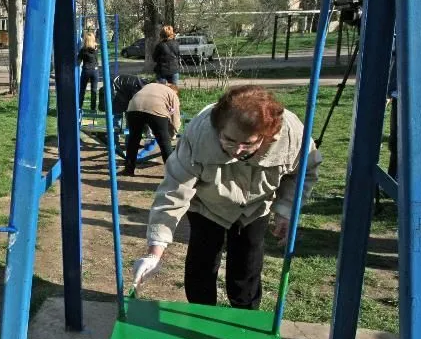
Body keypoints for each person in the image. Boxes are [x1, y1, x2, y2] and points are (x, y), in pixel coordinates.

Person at [131, 85, 321, 309]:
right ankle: (200, 315)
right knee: (202, 261)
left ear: (267, 135)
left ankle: (245, 318)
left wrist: (286, 211)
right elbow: (174, 189)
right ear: (218, 127)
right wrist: (155, 253)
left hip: (255, 208)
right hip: (207, 205)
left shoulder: (293, 135)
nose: (237, 150)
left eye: (248, 143)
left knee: (247, 266)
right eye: (229, 140)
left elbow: (303, 173)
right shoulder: (200, 133)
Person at [121, 82, 182, 176]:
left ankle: (129, 169)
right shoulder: (172, 93)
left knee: (133, 139)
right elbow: (175, 117)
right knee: (164, 141)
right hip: (156, 108)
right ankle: (171, 173)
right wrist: (173, 133)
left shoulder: (150, 85)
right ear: (175, 91)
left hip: (133, 108)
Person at [78, 31, 99, 111]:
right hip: (95, 70)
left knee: (82, 90)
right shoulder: (96, 49)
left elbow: (78, 62)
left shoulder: (83, 50)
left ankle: (79, 106)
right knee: (94, 90)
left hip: (86, 70)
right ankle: (93, 109)